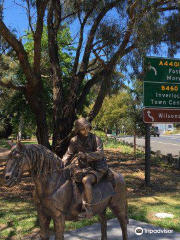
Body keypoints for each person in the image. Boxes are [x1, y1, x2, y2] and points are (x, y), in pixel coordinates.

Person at [62, 118, 108, 218]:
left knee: (86, 180)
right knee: (70, 176)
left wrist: (86, 156)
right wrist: (61, 164)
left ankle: (89, 209)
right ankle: (75, 203)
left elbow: (100, 154)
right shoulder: (74, 140)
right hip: (83, 167)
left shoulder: (96, 139)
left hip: (97, 167)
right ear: (78, 130)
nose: (86, 131)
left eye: (87, 128)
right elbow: (68, 154)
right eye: (83, 129)